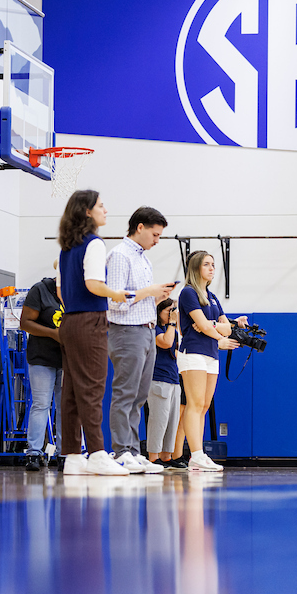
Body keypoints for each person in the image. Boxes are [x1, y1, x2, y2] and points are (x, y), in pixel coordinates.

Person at [56, 190, 131, 476]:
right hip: (91, 321)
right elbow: (93, 284)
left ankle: (73, 456)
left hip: (70, 322)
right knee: (92, 388)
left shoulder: (65, 249)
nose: (105, 210)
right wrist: (116, 294)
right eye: (101, 205)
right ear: (87, 211)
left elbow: (61, 291)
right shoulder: (95, 244)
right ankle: (98, 453)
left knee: (72, 391)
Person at [105, 206, 175, 474]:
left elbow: (137, 300)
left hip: (146, 329)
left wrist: (156, 298)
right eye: (155, 235)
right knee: (125, 393)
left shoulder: (143, 259)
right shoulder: (120, 255)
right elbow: (114, 301)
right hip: (126, 331)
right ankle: (121, 450)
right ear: (140, 227)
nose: (157, 241)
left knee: (139, 396)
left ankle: (133, 451)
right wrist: (148, 291)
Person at [177, 251, 247, 473]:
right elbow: (204, 325)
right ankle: (196, 455)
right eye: (206, 264)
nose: (211, 268)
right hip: (193, 352)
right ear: (196, 268)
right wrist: (218, 334)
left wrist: (214, 327)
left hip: (211, 354)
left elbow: (225, 327)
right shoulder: (188, 293)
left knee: (204, 406)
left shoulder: (212, 297)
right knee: (195, 404)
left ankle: (198, 455)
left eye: (213, 265)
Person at [20, 270, 64, 472]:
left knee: (65, 407)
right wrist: (53, 334)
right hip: (42, 357)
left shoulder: (76, 292)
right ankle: (33, 453)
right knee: (41, 404)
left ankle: (64, 453)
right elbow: (25, 323)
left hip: (67, 359)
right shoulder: (40, 290)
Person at [147, 299, 181, 465]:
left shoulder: (172, 330)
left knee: (172, 421)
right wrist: (173, 323)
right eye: (168, 311)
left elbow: (178, 351)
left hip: (174, 379)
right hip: (158, 379)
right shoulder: (154, 329)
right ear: (159, 312)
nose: (172, 314)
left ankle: (166, 456)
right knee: (158, 420)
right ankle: (153, 457)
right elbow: (166, 343)